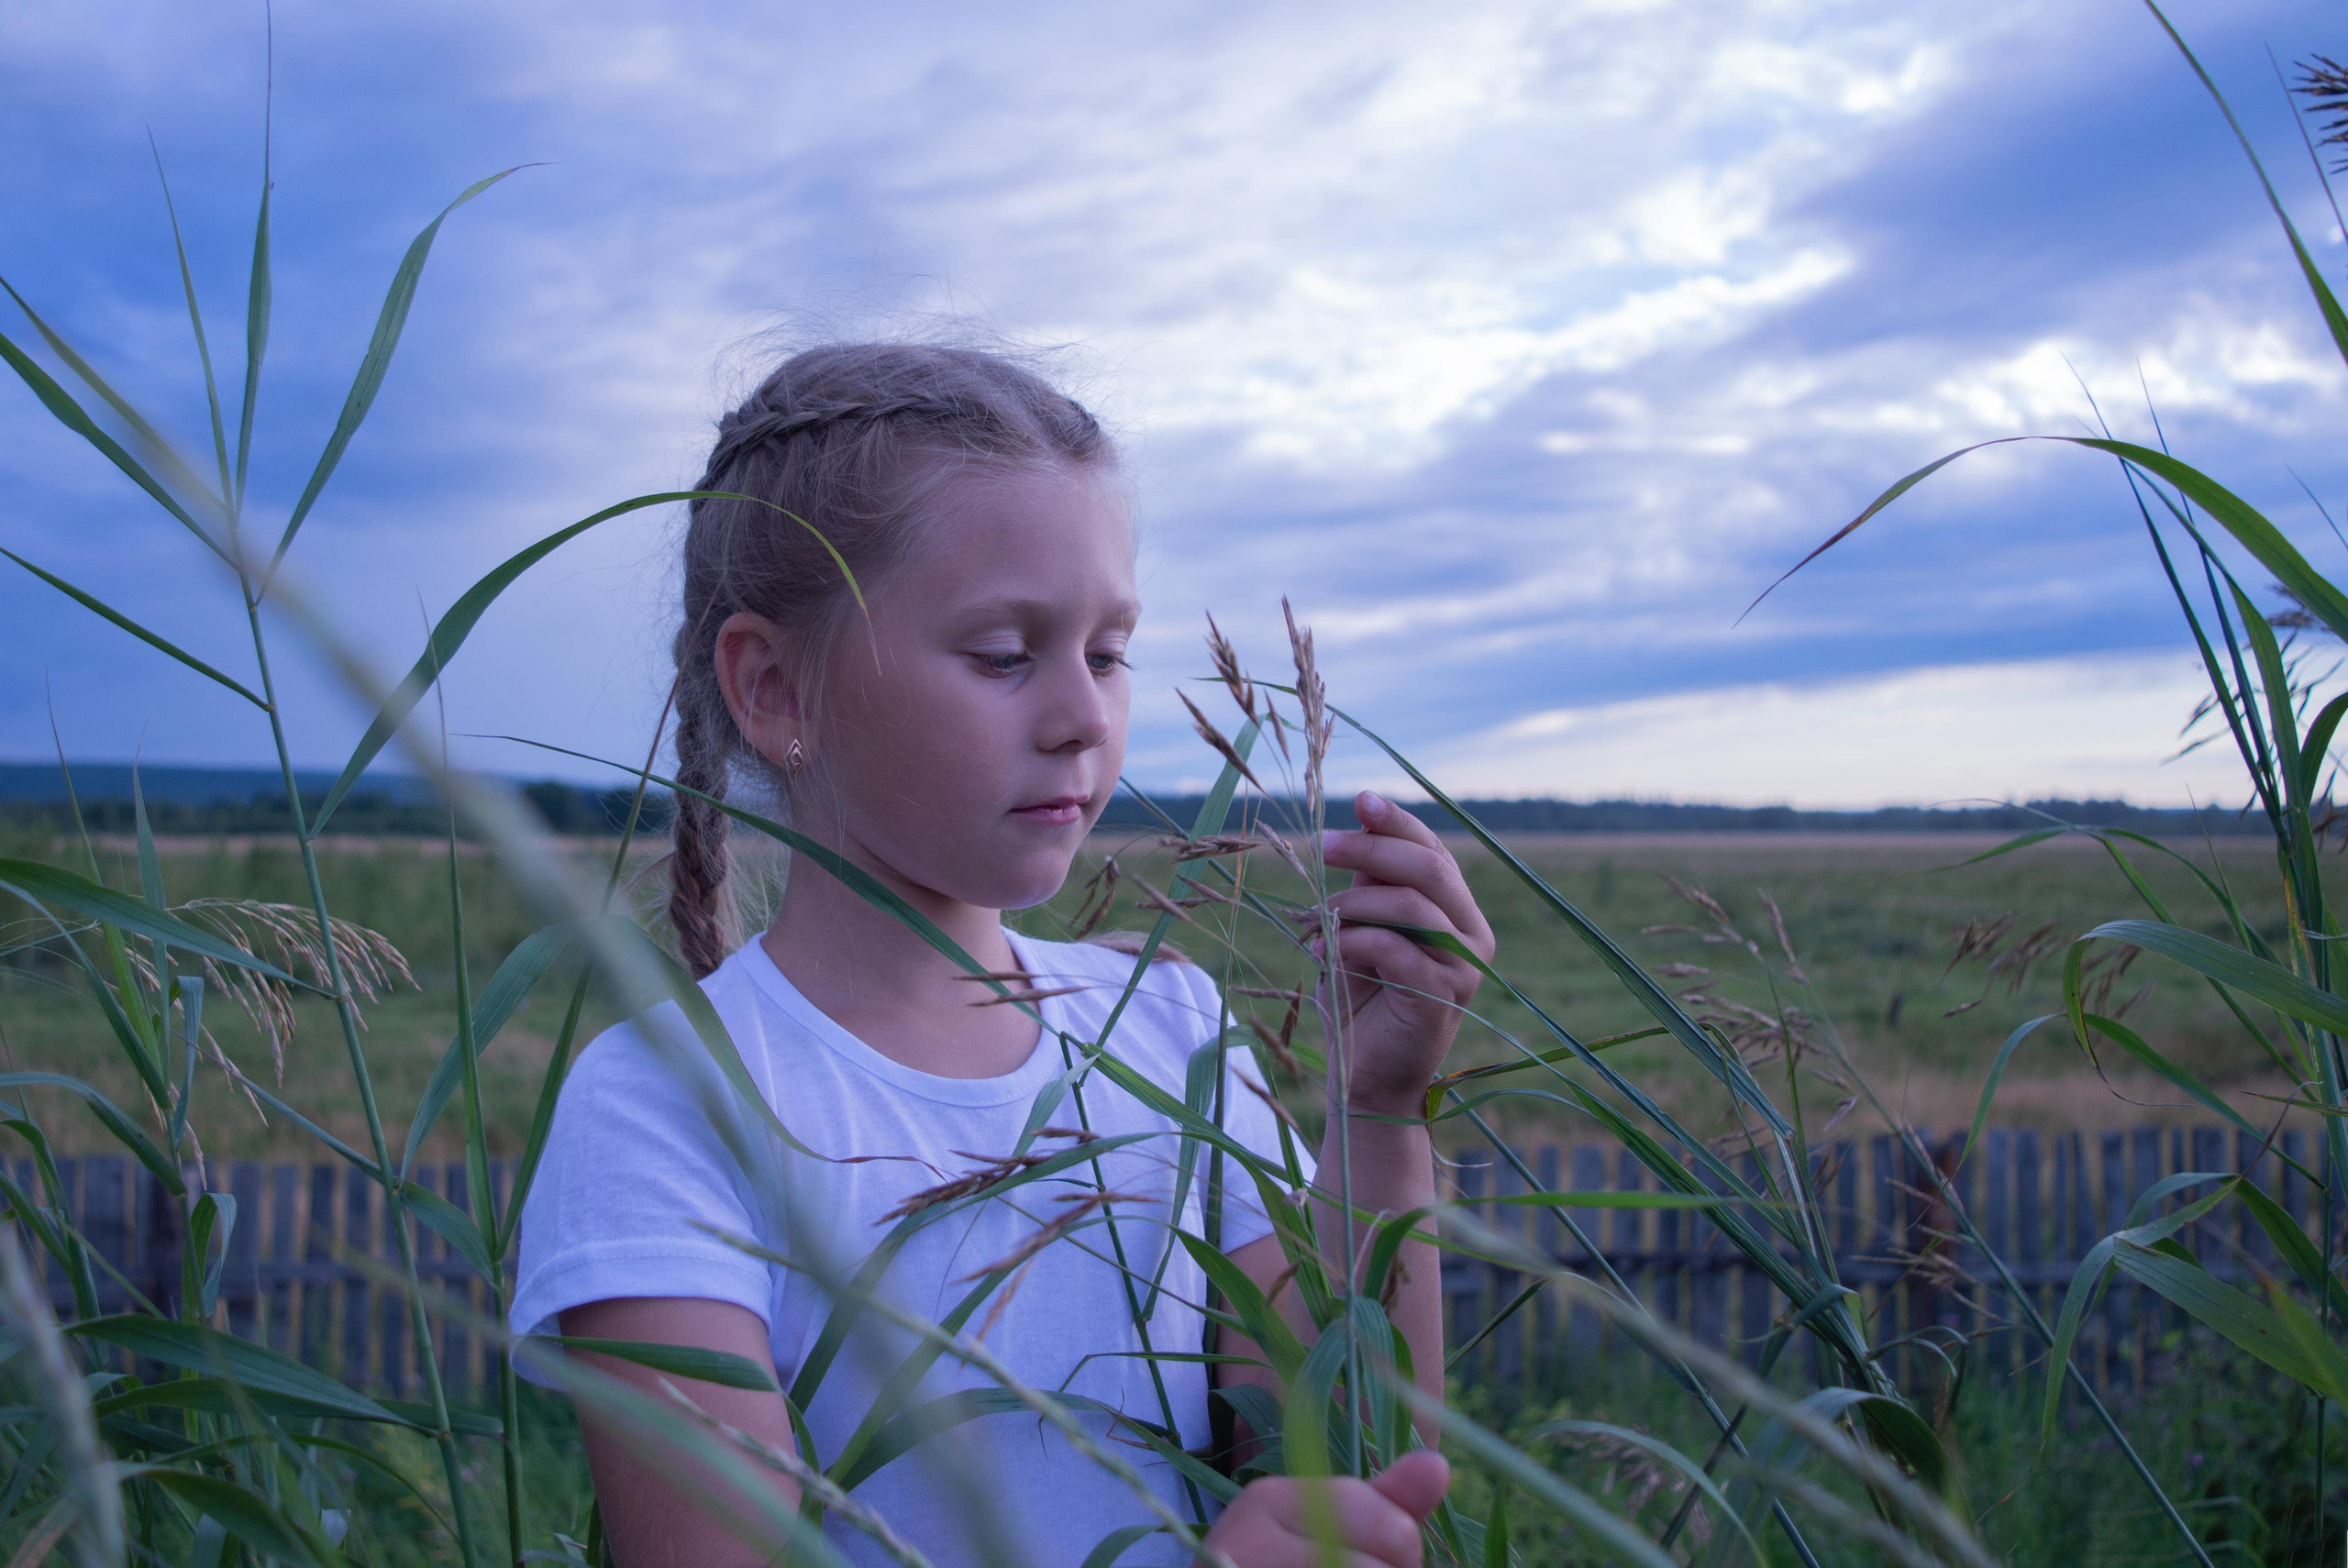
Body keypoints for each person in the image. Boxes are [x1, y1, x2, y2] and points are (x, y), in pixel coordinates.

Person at [508, 343, 1496, 1568]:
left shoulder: (1167, 1033)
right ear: (775, 689)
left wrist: (1380, 1109)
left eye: (1108, 651)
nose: (1084, 713)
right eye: (1003, 654)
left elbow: (1352, 1463)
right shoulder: (669, 1100)